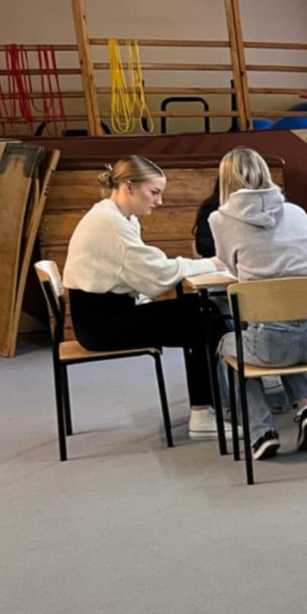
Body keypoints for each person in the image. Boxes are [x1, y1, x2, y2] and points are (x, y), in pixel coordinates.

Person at [62, 155, 227, 440]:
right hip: (100, 325)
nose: (159, 201)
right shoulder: (109, 222)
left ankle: (212, 404)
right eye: (154, 192)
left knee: (201, 311)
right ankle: (204, 412)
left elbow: (144, 275)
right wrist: (211, 264)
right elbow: (156, 273)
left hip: (104, 315)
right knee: (201, 317)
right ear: (128, 186)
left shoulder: (117, 217)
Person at [208, 146, 307, 459]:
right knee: (290, 326)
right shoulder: (296, 212)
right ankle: (305, 407)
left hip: (270, 344)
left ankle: (262, 431)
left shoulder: (219, 218)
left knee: (230, 345)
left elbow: (232, 269)